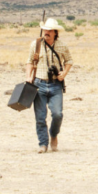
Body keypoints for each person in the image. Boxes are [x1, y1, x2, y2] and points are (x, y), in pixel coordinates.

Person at [25, 18, 74, 153]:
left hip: (55, 85)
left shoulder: (62, 46)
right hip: (39, 84)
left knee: (57, 114)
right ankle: (43, 144)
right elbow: (29, 61)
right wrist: (28, 77)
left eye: (49, 30)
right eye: (45, 29)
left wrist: (64, 73)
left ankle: (53, 135)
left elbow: (69, 60)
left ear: (55, 32)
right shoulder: (35, 44)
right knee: (40, 117)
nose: (46, 32)